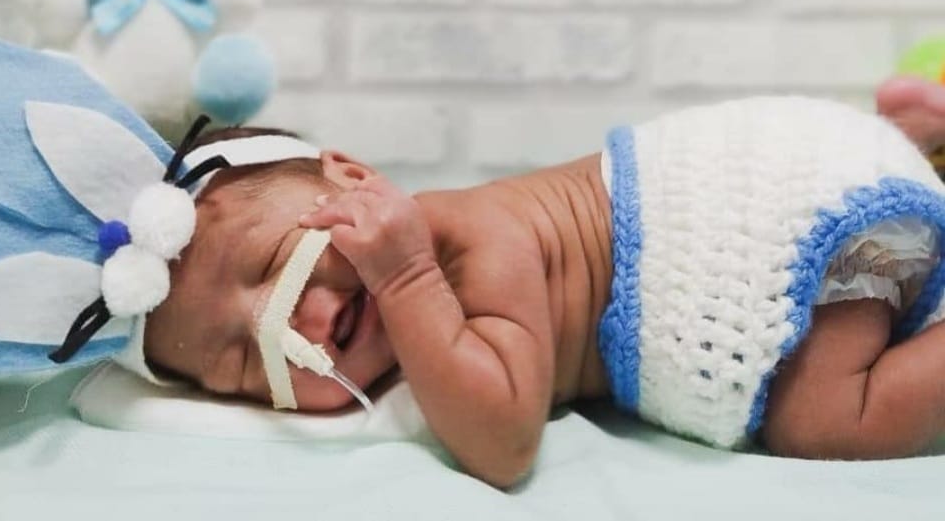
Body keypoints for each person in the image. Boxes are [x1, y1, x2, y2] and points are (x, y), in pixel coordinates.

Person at [144, 87, 945, 489]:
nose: (299, 326)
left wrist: (409, 276)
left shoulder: (469, 240)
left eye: (277, 266)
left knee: (826, 419)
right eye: (250, 362)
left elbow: (503, 443)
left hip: (780, 217)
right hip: (782, 185)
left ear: (352, 178)